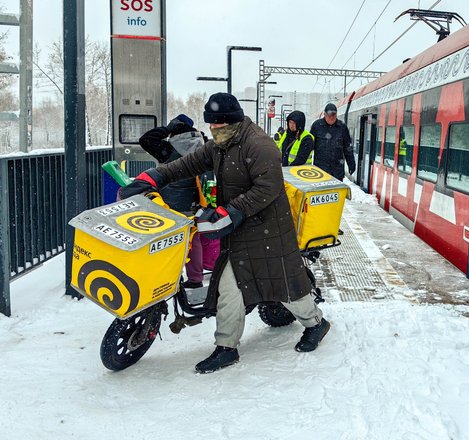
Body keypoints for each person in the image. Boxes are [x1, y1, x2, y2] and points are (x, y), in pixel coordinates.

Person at [119, 92, 330, 374]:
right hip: (241, 229)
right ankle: (226, 348)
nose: (214, 132)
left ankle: (316, 323)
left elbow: (266, 189)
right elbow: (187, 164)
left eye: (218, 127)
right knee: (230, 288)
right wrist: (152, 178)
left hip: (269, 231)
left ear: (233, 122)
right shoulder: (220, 144)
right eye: (211, 127)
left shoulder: (259, 146)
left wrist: (229, 212)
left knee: (285, 288)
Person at [138, 114, 219, 289]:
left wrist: (166, 129)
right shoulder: (202, 146)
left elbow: (145, 139)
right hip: (195, 203)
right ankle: (195, 279)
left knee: (166, 243)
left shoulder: (167, 148)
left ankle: (167, 279)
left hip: (169, 204)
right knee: (193, 242)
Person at [310, 103, 356, 180]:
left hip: (337, 171)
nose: (331, 118)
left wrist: (351, 164)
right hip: (320, 171)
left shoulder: (342, 127)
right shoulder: (317, 126)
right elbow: (309, 146)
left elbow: (347, 147)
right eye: (329, 115)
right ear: (324, 114)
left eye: (333, 115)